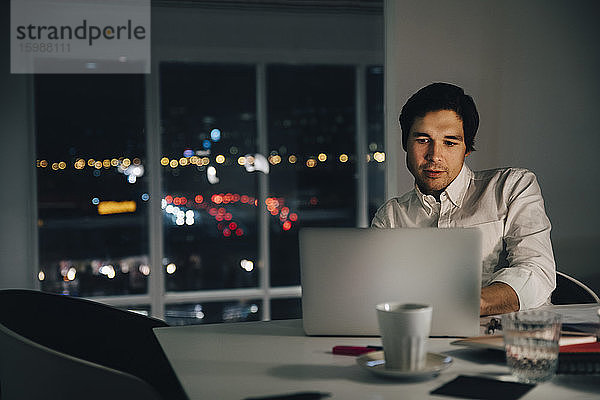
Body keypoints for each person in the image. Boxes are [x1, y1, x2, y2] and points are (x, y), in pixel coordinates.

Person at [371, 82, 556, 316]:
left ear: (467, 148)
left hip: (502, 342)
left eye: (449, 142)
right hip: (421, 340)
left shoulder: (512, 187)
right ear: (405, 143)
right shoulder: (391, 217)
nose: (434, 156)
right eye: (423, 140)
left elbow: (537, 271)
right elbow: (378, 292)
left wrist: (471, 303)